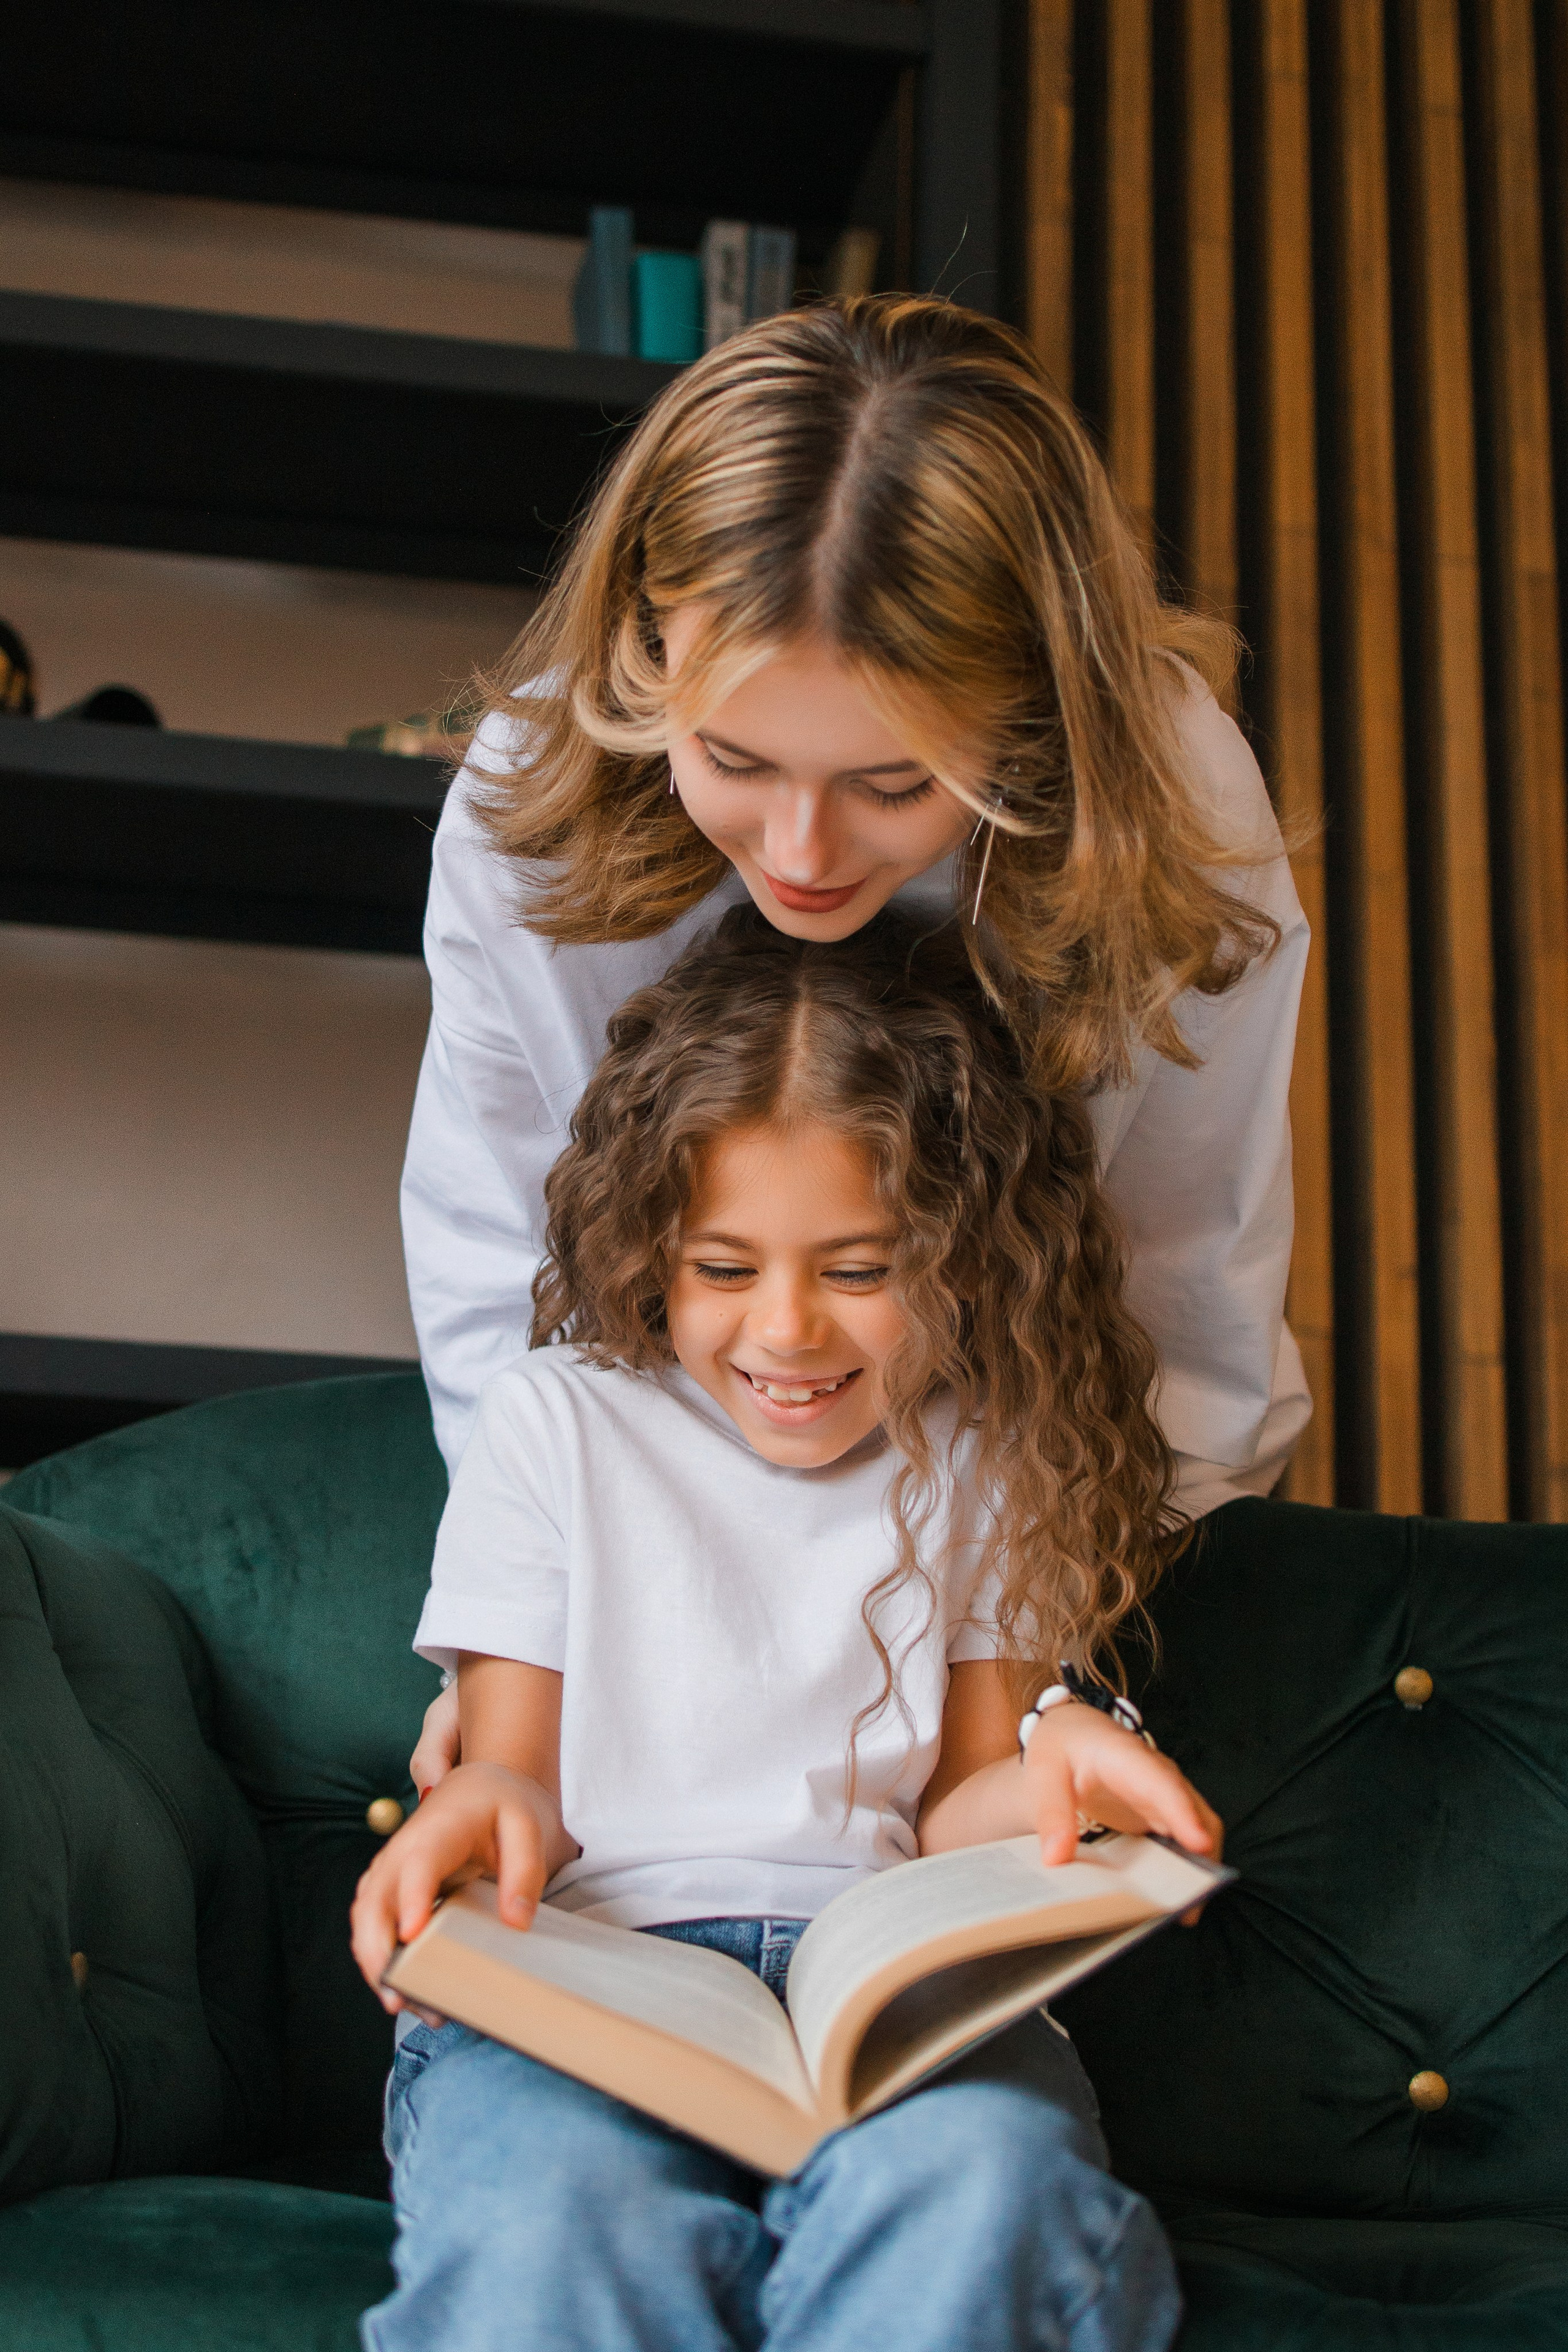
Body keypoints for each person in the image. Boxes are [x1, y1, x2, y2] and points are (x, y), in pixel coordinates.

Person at [402, 292, 1308, 1786]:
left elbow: (1180, 1257)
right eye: (733, 759)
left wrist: (1054, 1655)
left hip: (1026, 1498)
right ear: (644, 654)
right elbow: (501, 1245)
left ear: (1034, 710)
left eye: (893, 784)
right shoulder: (528, 805)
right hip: (653, 1516)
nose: (801, 853)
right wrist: (528, 1649)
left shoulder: (1172, 797)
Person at [353, 908, 1223, 2352]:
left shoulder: (987, 1452)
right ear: (651, 1246)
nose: (785, 1332)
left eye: (859, 1271)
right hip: (592, 1986)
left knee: (984, 2190)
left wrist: (1062, 1767)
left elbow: (960, 1806)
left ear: (964, 1255)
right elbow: (513, 1777)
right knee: (549, 2215)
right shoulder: (554, 1420)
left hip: (889, 1998)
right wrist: (469, 1817)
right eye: (722, 1268)